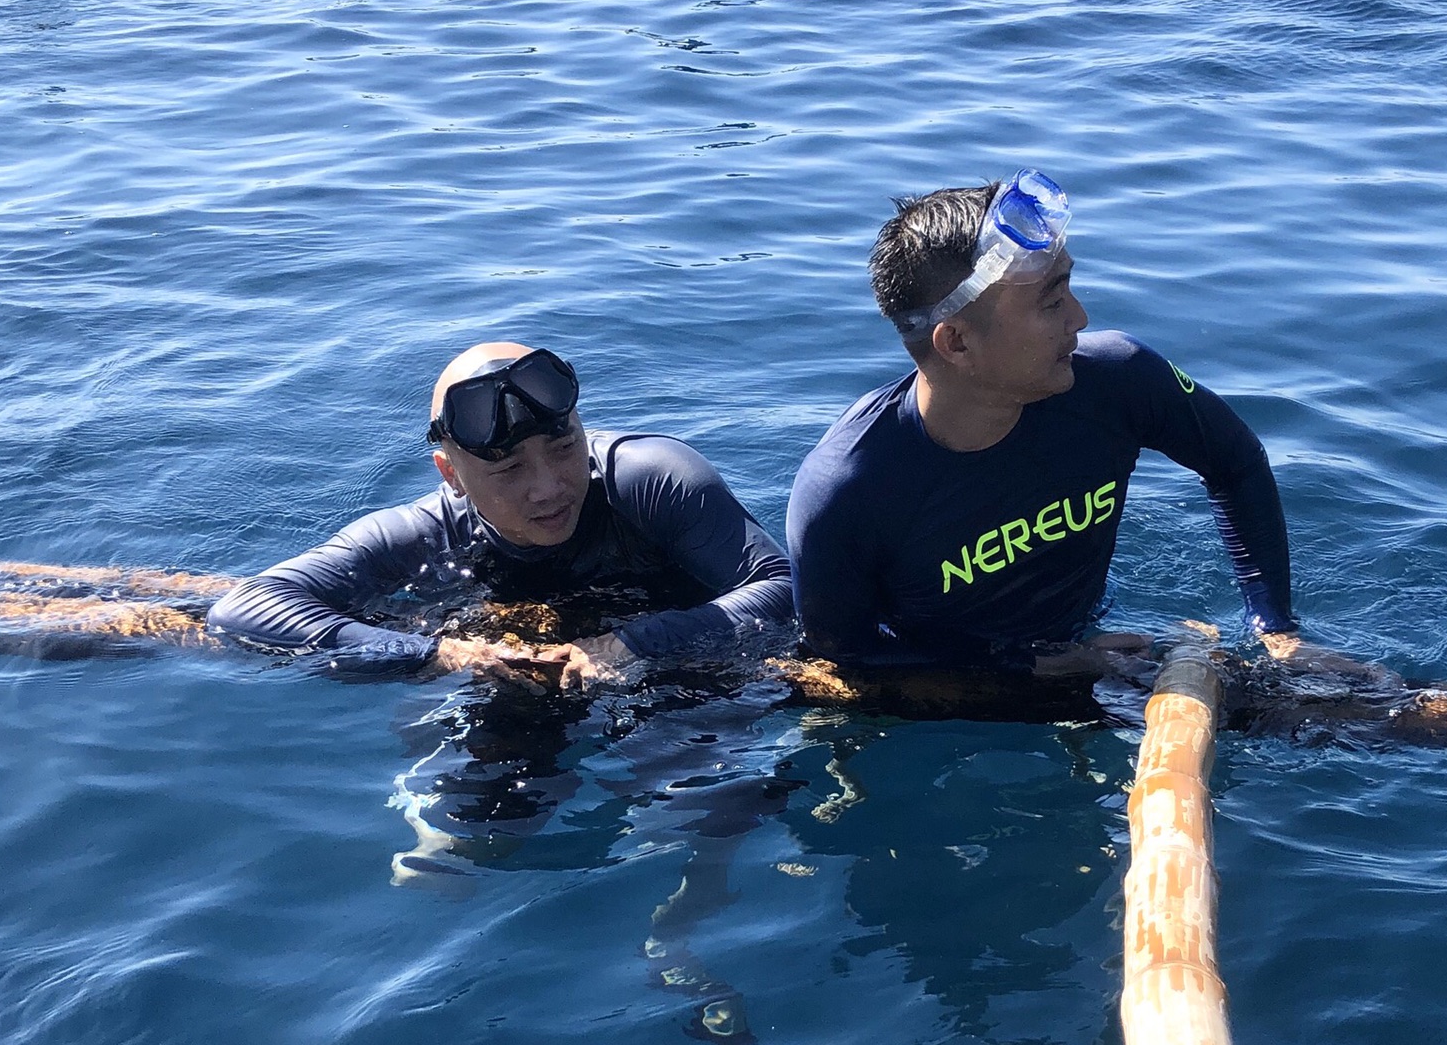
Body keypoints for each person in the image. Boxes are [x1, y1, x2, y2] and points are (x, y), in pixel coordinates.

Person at [786, 171, 1302, 676]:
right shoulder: (846, 492)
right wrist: (1040, 667)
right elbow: (842, 665)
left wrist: (1276, 633)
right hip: (959, 697)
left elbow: (1236, 463)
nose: (1079, 318)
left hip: (1097, 646)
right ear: (957, 342)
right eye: (1052, 302)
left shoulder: (1121, 379)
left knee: (1362, 712)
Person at [208, 341, 792, 684]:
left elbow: (782, 584)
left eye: (564, 450)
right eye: (509, 470)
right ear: (451, 476)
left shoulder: (649, 479)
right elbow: (247, 608)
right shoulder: (423, 535)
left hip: (676, 672)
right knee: (479, 830)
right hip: (512, 670)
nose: (549, 488)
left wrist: (633, 645)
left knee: (703, 800)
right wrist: (440, 653)